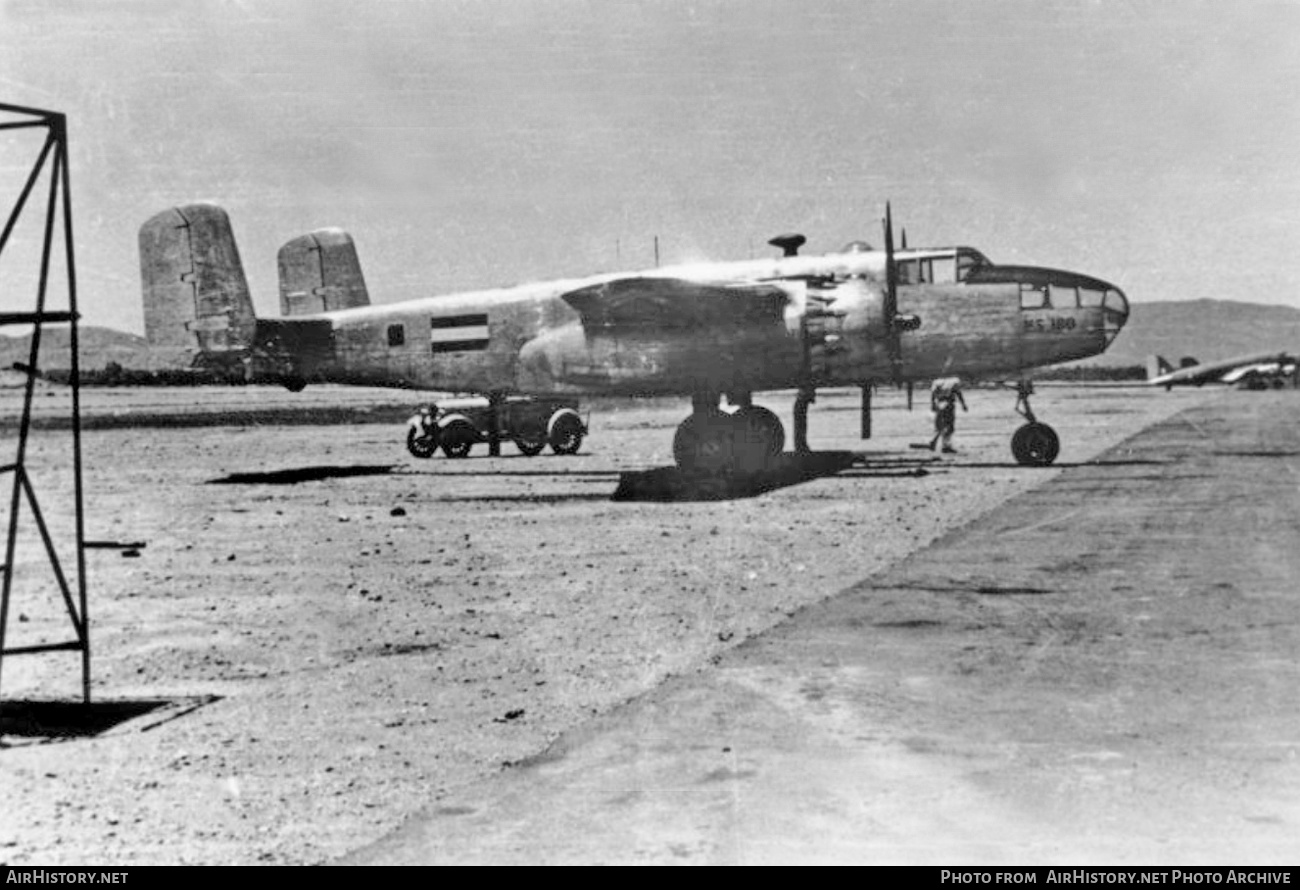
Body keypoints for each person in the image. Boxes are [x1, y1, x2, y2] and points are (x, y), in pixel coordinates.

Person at [929, 376, 967, 453]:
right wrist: (963, 404)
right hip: (949, 404)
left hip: (939, 404)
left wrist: (933, 404)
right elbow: (958, 393)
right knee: (949, 425)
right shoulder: (954, 382)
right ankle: (946, 445)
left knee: (939, 425)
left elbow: (933, 393)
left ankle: (934, 441)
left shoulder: (937, 382)